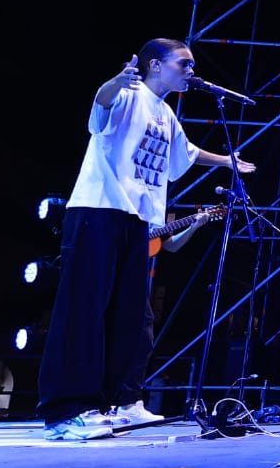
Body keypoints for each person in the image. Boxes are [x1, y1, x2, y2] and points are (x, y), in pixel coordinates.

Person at [36, 42, 255, 440]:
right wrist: (114, 81)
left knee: (133, 316)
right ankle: (66, 410)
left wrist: (225, 161)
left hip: (139, 219)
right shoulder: (128, 94)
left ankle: (122, 402)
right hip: (99, 210)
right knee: (84, 310)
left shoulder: (166, 112)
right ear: (156, 65)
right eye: (183, 64)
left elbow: (184, 155)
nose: (191, 71)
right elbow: (101, 107)